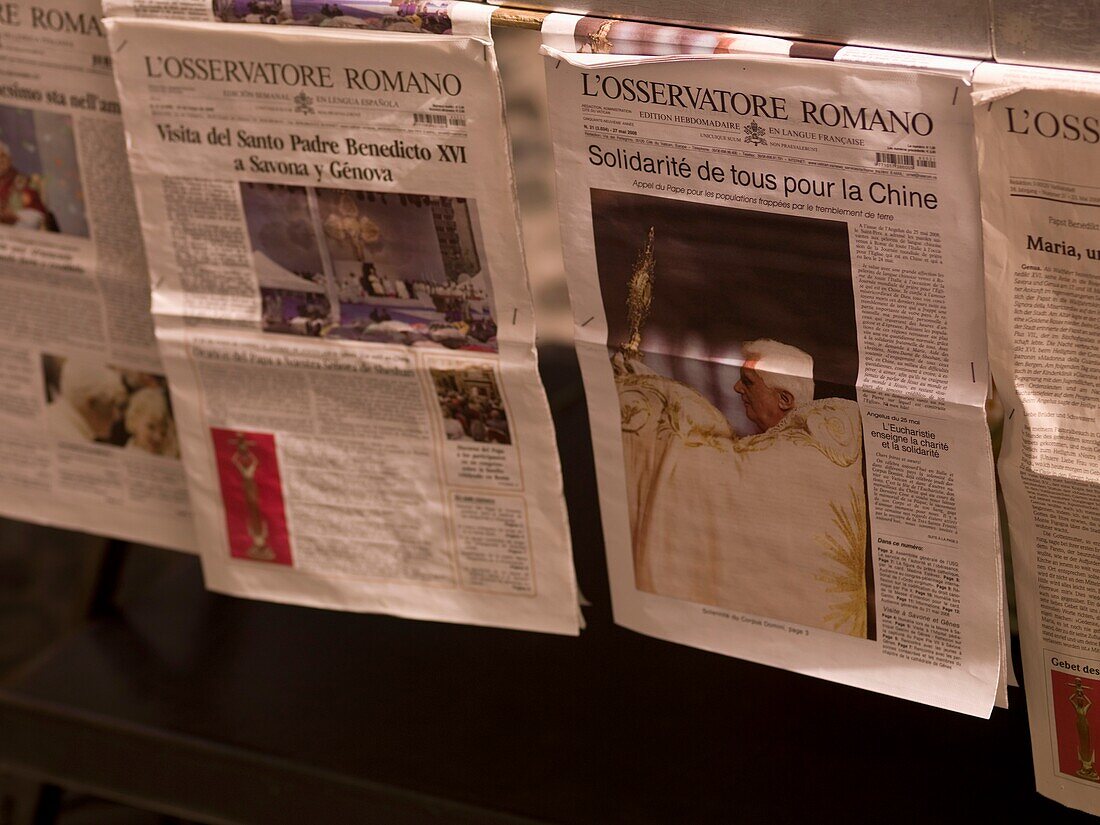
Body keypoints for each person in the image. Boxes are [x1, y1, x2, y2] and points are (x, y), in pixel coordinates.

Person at [617, 338, 868, 637]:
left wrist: (650, 390)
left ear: (785, 399)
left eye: (748, 382)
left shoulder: (807, 456)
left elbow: (708, 472)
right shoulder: (768, 450)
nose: (737, 389)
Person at [45, 357, 127, 443]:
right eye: (111, 405)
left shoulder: (54, 414)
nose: (117, 416)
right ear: (90, 403)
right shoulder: (72, 438)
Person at [0, 140, 53, 232]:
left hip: (17, 230)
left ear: (9, 159)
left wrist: (16, 217)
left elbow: (36, 214)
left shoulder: (23, 182)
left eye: (2, 157)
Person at [124, 387, 179, 458]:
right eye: (151, 427)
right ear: (134, 420)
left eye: (163, 433)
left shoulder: (164, 451)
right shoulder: (130, 453)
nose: (158, 437)